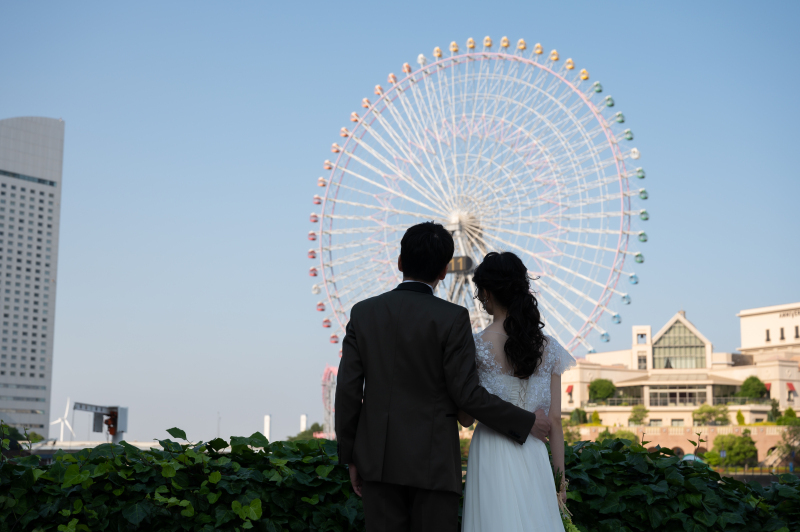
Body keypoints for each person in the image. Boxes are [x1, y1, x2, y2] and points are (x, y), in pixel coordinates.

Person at [335, 222, 552, 532]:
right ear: (444, 271)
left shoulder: (363, 313)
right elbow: (467, 395)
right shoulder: (452, 318)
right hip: (433, 464)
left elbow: (347, 392)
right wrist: (526, 421)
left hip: (377, 462)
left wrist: (351, 456)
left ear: (399, 262)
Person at [459, 251, 576, 532]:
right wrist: (560, 484)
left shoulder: (475, 346)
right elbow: (555, 421)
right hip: (533, 452)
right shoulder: (550, 349)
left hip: (490, 450)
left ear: (486, 292)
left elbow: (464, 418)